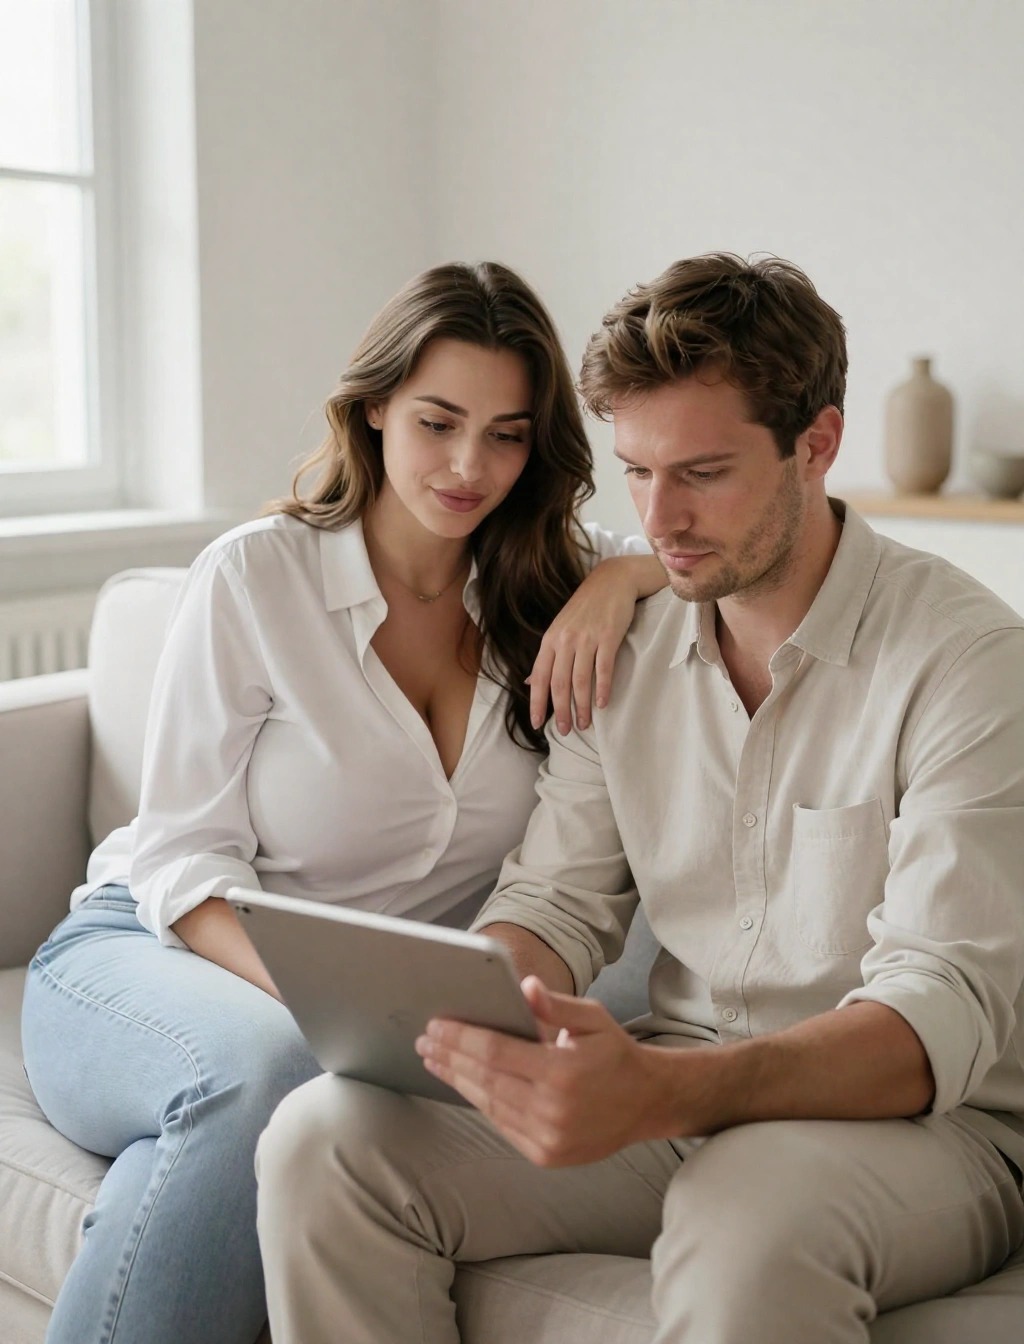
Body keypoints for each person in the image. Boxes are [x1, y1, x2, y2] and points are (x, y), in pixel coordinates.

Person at [255, 253, 1024, 1344]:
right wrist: (479, 1012)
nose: (660, 521)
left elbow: (932, 1023)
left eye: (702, 473)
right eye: (636, 472)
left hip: (922, 1131)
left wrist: (660, 1095)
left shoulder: (969, 661)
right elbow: (559, 904)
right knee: (324, 1137)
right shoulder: (624, 639)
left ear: (817, 444)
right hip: (676, 1086)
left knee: (744, 1212)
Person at [19, 260, 666, 1344]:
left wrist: (615, 582)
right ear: (373, 408)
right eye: (437, 421)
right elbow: (181, 857)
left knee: (231, 1148)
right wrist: (326, 1012)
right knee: (268, 1074)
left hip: (369, 1002)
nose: (469, 466)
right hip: (150, 951)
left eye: (507, 434)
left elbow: (727, 540)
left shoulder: (545, 586)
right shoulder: (256, 578)